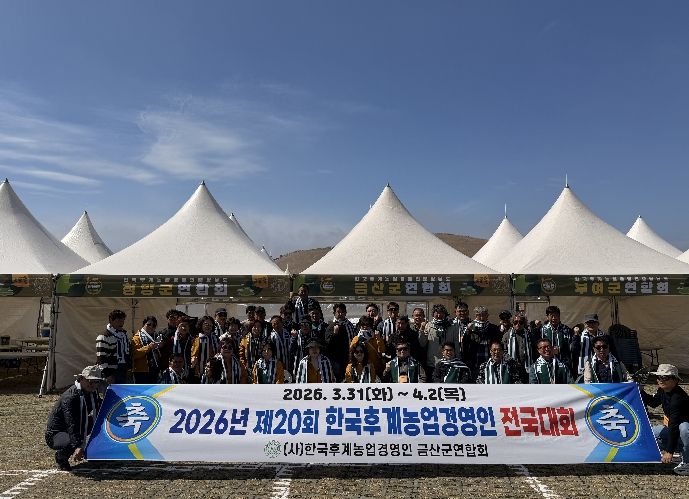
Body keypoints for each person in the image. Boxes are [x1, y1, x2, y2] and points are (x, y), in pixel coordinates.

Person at [45, 365, 103, 471]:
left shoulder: (92, 393)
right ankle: (61, 458)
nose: (92, 384)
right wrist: (78, 445)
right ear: (81, 379)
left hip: (77, 425)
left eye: (95, 381)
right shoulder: (70, 397)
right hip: (56, 433)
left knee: (101, 422)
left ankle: (96, 452)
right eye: (89, 380)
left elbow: (99, 407)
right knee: (70, 442)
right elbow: (70, 423)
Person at [640, 364, 689, 475]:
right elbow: (653, 402)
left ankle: (687, 462)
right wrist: (639, 390)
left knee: (684, 428)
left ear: (675, 380)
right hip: (675, 427)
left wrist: (669, 452)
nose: (661, 380)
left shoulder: (678, 398)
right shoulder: (663, 390)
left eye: (665, 377)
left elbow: (674, 426)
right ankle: (682, 453)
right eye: (658, 377)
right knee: (650, 434)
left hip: (680, 428)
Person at [461, 306, 502, 378]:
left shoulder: (494, 328)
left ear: (487, 315)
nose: (482, 317)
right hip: (474, 364)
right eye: (479, 315)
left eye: (484, 315)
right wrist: (468, 331)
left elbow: (498, 344)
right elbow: (464, 345)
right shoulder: (470, 328)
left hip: (490, 363)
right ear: (475, 316)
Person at [418, 304, 455, 381]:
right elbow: (422, 343)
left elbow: (456, 345)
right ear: (433, 314)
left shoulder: (451, 326)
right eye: (436, 313)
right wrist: (421, 330)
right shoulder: (428, 325)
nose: (439, 315)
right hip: (432, 363)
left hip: (448, 362)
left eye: (441, 313)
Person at [538, 305, 574, 373]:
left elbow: (571, 347)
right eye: (551, 316)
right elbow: (539, 347)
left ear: (559, 316)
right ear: (547, 317)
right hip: (548, 364)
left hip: (564, 363)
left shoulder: (566, 329)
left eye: (556, 315)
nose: (554, 318)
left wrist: (560, 350)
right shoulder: (542, 330)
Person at [502, 312, 536, 383]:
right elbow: (503, 351)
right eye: (515, 322)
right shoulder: (506, 336)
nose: (518, 324)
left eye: (521, 322)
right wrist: (512, 361)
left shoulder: (530, 335)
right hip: (511, 367)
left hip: (527, 368)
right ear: (512, 323)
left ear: (524, 323)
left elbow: (535, 351)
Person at [326, 303, 356, 381]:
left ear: (346, 313)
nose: (340, 314)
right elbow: (328, 344)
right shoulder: (331, 326)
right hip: (337, 360)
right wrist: (334, 334)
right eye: (338, 312)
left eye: (343, 312)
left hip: (350, 357)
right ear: (334, 313)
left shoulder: (349, 325)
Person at [130, 316, 161, 383]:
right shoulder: (136, 338)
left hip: (155, 371)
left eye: (154, 325)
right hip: (142, 372)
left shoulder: (157, 337)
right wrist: (149, 347)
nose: (151, 327)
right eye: (148, 324)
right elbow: (135, 354)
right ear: (143, 325)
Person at [95, 310, 122, 382]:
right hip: (108, 374)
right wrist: (107, 374)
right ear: (111, 320)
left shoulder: (121, 335)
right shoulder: (103, 337)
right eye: (118, 321)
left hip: (119, 371)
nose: (121, 324)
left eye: (122, 321)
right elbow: (101, 358)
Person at [191, 315, 220, 381]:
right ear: (201, 325)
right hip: (201, 368)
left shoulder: (216, 338)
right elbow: (194, 354)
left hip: (214, 368)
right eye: (205, 324)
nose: (207, 326)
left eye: (210, 324)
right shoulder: (198, 338)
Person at [171, 318, 194, 382]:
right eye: (182, 325)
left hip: (189, 369)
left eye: (186, 325)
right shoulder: (172, 339)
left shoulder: (193, 340)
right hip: (175, 370)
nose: (184, 328)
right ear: (177, 326)